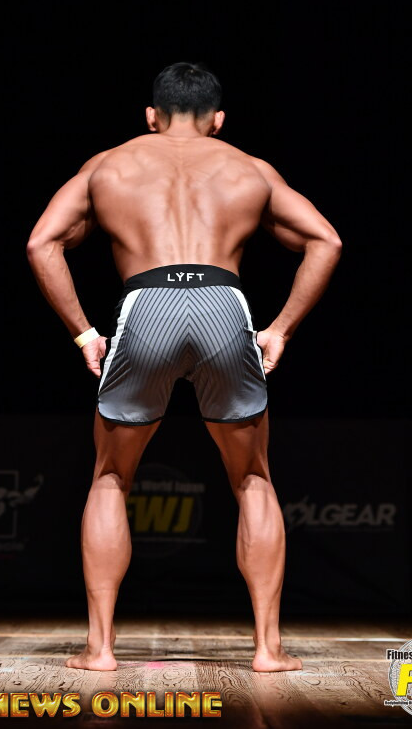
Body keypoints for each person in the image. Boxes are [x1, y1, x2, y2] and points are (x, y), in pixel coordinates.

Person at [26, 61, 342, 672]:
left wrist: (84, 333)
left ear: (151, 115)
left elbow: (42, 242)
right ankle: (268, 650)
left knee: (110, 477)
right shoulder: (250, 169)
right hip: (225, 304)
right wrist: (279, 329)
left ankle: (100, 650)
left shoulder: (109, 165)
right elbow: (326, 240)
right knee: (252, 478)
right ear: (218, 120)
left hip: (146, 305)